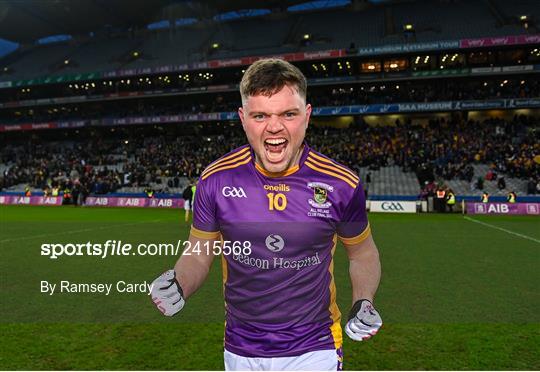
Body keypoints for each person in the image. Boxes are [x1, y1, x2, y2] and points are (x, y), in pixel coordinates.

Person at [150, 59, 382, 371]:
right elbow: (198, 255)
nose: (274, 127)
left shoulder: (340, 183)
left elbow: (363, 254)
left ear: (307, 116)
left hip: (315, 347)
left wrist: (363, 301)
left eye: (288, 114)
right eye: (260, 116)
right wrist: (178, 284)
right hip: (240, 348)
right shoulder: (216, 180)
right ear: (243, 119)